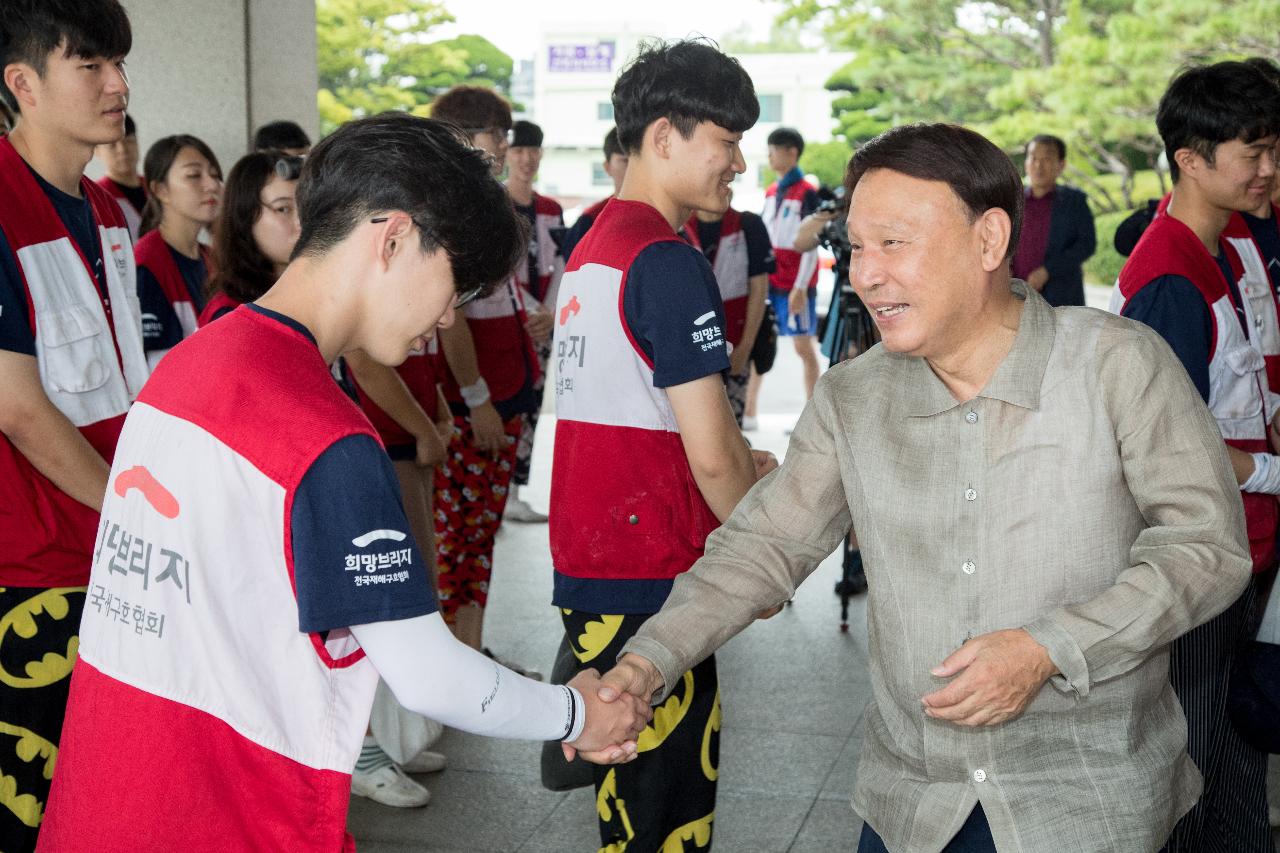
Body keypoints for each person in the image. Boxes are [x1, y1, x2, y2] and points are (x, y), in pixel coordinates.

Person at [587, 121, 1257, 852]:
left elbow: (1205, 545)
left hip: (1083, 800)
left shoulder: (1116, 365)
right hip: (913, 805)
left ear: (988, 240)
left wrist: (1050, 648)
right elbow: (762, 546)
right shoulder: (853, 397)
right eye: (855, 248)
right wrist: (643, 665)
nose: (864, 275)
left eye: (894, 244)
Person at [35, 113, 651, 853]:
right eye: (453, 283)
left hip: (104, 800)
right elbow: (428, 675)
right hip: (228, 814)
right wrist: (577, 714)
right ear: (391, 238)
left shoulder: (190, 365)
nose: (448, 314)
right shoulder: (321, 435)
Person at [551, 39, 779, 851]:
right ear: (663, 138)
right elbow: (712, 452)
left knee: (628, 786)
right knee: (665, 802)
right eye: (725, 140)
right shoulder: (664, 259)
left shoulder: (593, 246)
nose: (739, 164)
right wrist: (765, 556)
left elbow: (647, 422)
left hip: (600, 559)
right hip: (649, 580)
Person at [1114, 60, 1280, 853]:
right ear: (1191, 158)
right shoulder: (1169, 274)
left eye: (1273, 149)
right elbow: (1164, 446)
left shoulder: (1229, 244)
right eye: (1253, 152)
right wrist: (1268, 469)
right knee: (1191, 760)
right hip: (1206, 559)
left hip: (1249, 547)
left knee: (1239, 747)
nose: (1269, 170)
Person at [0, 2, 147, 849]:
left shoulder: (106, 214)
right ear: (21, 82)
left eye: (118, 62)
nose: (117, 83)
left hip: (110, 552)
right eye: (89, 63)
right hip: (33, 569)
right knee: (33, 802)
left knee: (97, 799)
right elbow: (18, 407)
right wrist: (135, 513)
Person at [425, 85, 546, 675]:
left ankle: (470, 656)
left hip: (507, 393)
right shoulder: (450, 213)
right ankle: (452, 665)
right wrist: (476, 401)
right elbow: (451, 320)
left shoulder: (483, 206)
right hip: (476, 405)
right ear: (460, 140)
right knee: (456, 542)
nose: (504, 146)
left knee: (479, 540)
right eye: (495, 135)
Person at [504, 118, 561, 523]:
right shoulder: (493, 204)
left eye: (533, 151)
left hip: (545, 321)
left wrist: (552, 314)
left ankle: (516, 488)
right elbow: (496, 269)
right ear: (506, 154)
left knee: (533, 405)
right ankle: (500, 487)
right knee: (507, 399)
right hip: (506, 320)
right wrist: (530, 310)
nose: (527, 159)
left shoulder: (551, 210)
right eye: (519, 151)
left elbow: (562, 264)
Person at [747, 126, 821, 429]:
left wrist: (801, 286)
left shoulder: (808, 193)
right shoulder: (772, 191)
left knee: (803, 348)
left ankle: (813, 420)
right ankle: (748, 412)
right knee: (759, 343)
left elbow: (813, 243)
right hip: (771, 280)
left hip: (795, 284)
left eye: (773, 150)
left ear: (791, 152)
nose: (769, 156)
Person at [681, 191, 774, 425]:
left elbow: (759, 289)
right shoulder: (681, 228)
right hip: (691, 346)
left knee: (731, 424)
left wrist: (746, 346)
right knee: (696, 425)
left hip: (736, 339)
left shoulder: (748, 225)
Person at [134, 134, 222, 368]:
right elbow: (156, 369)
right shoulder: (147, 264)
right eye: (194, 175)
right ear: (160, 190)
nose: (212, 185)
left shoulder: (211, 257)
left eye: (215, 175)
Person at [199, 149, 301, 325]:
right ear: (244, 218)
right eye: (283, 209)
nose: (301, 222)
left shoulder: (311, 294)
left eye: (307, 206)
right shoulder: (230, 314)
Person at [1011, 134, 1097, 307]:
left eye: (1047, 159)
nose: (1038, 165)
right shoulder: (1013, 200)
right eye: (1033, 158)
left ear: (1061, 164)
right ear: (1026, 162)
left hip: (1061, 297)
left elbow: (1087, 244)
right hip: (1016, 297)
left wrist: (1048, 270)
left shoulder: (1074, 202)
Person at [561, 126, 628, 261]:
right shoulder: (590, 221)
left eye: (637, 161)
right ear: (607, 167)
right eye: (625, 161)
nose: (633, 169)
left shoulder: (666, 217)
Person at [94, 112, 143, 240]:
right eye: (112, 145)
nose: (123, 150)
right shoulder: (96, 198)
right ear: (96, 150)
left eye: (129, 141)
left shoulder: (158, 187)